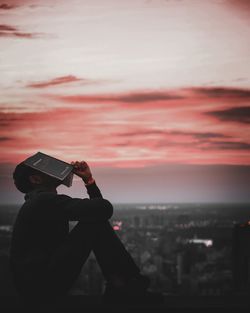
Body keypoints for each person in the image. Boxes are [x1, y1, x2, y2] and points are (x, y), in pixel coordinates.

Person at [9, 159, 155, 307]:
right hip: (42, 286)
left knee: (94, 221)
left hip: (37, 286)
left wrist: (88, 180)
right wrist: (89, 182)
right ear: (35, 179)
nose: (55, 170)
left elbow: (98, 212)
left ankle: (122, 286)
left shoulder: (37, 202)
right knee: (93, 223)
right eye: (45, 169)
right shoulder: (43, 201)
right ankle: (123, 285)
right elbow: (103, 208)